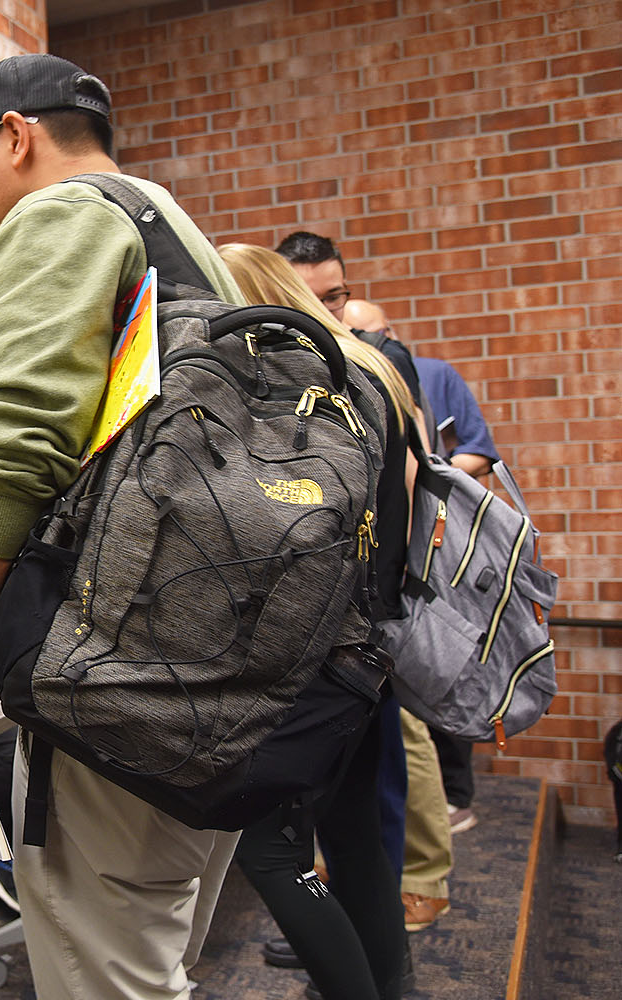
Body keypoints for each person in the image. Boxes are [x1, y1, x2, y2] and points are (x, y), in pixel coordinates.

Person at [0, 53, 244, 1000]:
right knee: (153, 956)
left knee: (108, 976)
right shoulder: (171, 228)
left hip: (123, 672)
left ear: (14, 137)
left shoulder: (56, 216)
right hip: (222, 657)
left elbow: (12, 452)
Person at [221, 244, 419, 1000]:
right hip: (370, 644)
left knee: (272, 855)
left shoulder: (293, 383)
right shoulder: (369, 369)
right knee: (354, 839)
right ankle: (394, 988)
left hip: (307, 652)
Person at [345, 296, 495, 837]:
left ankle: (454, 807)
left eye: (377, 331)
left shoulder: (429, 373)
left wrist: (430, 483)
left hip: (430, 549)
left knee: (439, 675)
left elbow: (477, 450)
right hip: (381, 563)